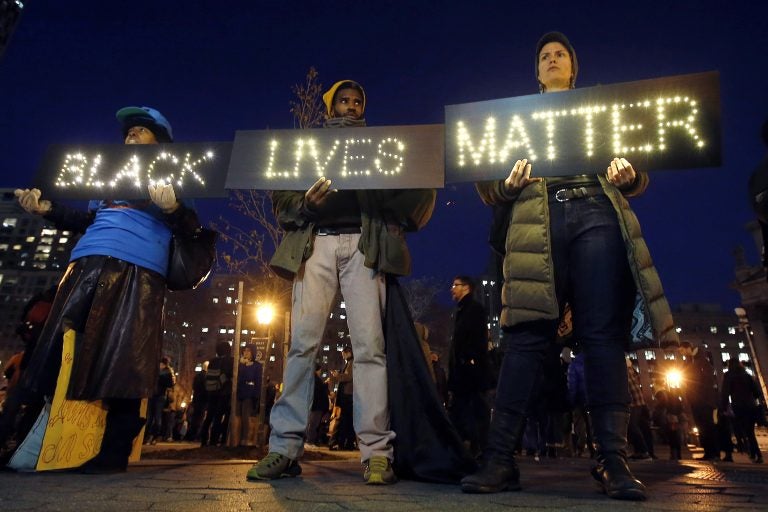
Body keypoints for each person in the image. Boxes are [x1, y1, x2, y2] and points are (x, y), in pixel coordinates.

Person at [463, 32, 678, 500]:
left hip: (597, 212)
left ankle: (612, 461)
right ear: (536, 72)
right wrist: (505, 181)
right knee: (524, 334)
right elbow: (485, 181)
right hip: (537, 219)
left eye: (560, 54)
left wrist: (630, 174)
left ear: (573, 68)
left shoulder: (603, 110)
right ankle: (500, 459)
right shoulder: (513, 117)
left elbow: (637, 170)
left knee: (603, 336)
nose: (553, 59)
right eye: (544, 56)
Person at [247, 79, 436, 485]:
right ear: (330, 107)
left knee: (370, 348)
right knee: (302, 346)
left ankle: (376, 453)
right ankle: (284, 447)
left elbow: (413, 190)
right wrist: (305, 203)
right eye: (344, 101)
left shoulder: (379, 148)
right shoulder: (306, 146)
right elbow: (283, 204)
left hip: (363, 247)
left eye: (358, 102)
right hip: (316, 244)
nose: (351, 107)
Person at [14, 106, 201, 473]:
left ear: (160, 141)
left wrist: (174, 207)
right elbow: (88, 219)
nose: (130, 135)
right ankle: (35, 439)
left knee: (124, 356)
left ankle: (113, 449)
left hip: (138, 268)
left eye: (141, 131)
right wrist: (47, 209)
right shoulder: (105, 178)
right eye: (128, 132)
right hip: (86, 262)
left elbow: (191, 227)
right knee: (57, 350)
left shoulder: (174, 176)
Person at [448, 276, 491, 458]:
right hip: (465, 371)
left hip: (469, 373)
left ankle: (477, 447)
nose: (452, 288)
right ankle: (471, 446)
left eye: (456, 285)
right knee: (466, 410)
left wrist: (468, 360)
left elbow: (474, 340)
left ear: (466, 288)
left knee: (472, 410)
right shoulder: (463, 309)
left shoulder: (473, 310)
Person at [679, 342, 720, 460]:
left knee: (708, 425)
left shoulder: (701, 359)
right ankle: (708, 452)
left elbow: (709, 378)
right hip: (695, 399)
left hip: (705, 399)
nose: (681, 353)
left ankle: (714, 453)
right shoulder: (688, 361)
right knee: (701, 426)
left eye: (682, 350)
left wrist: (703, 393)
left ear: (688, 348)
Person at [721, 359, 764, 463]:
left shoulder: (728, 375)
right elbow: (757, 392)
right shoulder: (747, 375)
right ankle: (755, 454)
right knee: (750, 431)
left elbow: (725, 392)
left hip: (739, 407)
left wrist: (724, 406)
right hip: (751, 406)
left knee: (743, 431)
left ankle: (754, 453)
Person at [200, 341, 234, 447]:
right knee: (219, 417)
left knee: (209, 416)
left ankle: (204, 440)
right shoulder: (229, 360)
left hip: (211, 391)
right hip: (223, 392)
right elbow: (229, 375)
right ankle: (214, 441)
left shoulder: (212, 361)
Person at [327, 346, 356, 451]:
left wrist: (338, 375)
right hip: (347, 395)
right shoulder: (349, 363)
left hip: (348, 395)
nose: (342, 356)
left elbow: (348, 377)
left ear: (348, 353)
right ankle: (346, 443)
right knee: (346, 420)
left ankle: (344, 443)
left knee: (345, 419)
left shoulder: (352, 363)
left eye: (343, 354)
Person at [236, 346, 262, 446]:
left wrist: (256, 395)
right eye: (244, 350)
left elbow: (257, 381)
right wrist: (242, 365)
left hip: (249, 393)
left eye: (248, 351)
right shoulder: (240, 364)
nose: (246, 353)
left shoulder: (257, 366)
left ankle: (246, 440)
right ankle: (236, 439)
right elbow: (239, 377)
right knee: (237, 417)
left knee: (246, 417)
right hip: (239, 393)